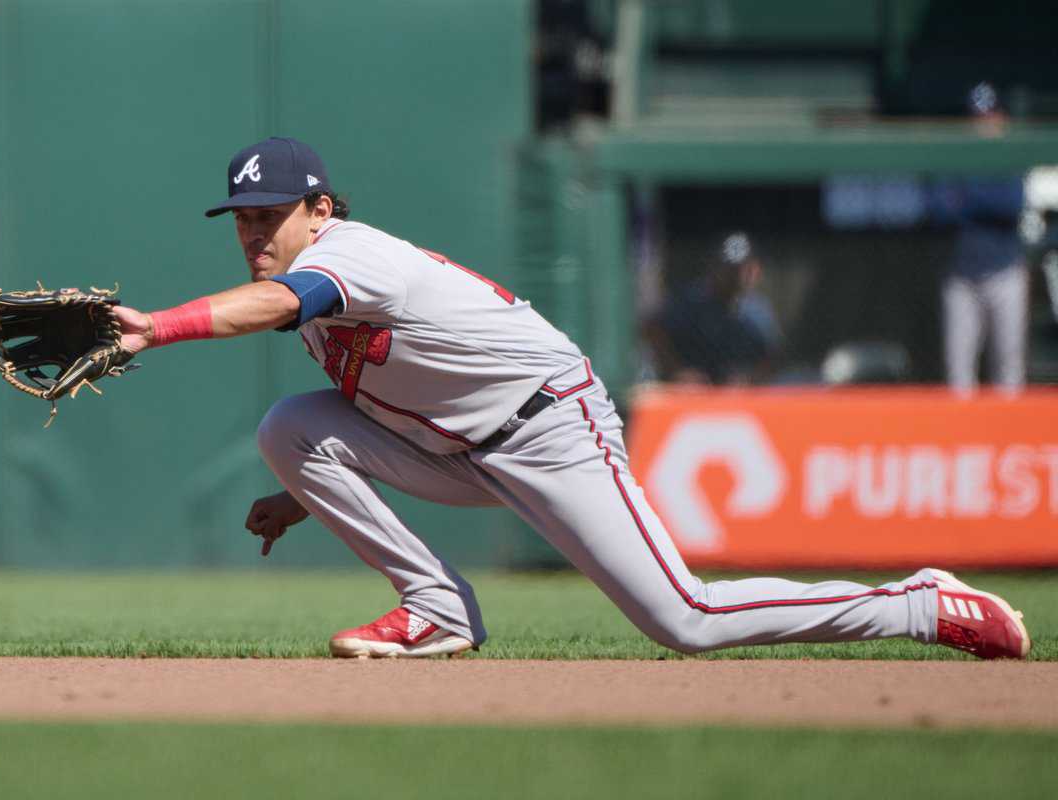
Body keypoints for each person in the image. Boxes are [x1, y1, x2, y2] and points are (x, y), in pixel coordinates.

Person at [112, 137, 1029, 660]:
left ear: (320, 209)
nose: (254, 233)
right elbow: (388, 396)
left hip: (553, 430)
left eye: (269, 214)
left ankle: (916, 602)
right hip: (464, 448)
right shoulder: (312, 287)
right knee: (290, 429)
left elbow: (272, 303)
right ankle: (435, 609)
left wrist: (155, 325)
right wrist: (310, 490)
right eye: (242, 220)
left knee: (685, 619)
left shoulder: (345, 255)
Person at [938, 82, 1029, 393]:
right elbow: (938, 206)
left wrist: (969, 197)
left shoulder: (1011, 155)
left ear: (1001, 117)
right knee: (959, 373)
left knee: (1009, 368)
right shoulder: (954, 158)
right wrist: (979, 200)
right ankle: (961, 438)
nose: (983, 124)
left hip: (1005, 270)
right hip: (963, 274)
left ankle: (1012, 436)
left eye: (990, 116)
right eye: (977, 117)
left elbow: (1011, 203)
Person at [646, 232, 780, 386]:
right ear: (714, 267)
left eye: (741, 269)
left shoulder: (757, 308)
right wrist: (678, 371)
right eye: (729, 269)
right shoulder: (690, 300)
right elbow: (653, 331)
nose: (735, 275)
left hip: (737, 395)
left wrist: (750, 379)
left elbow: (773, 356)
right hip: (691, 394)